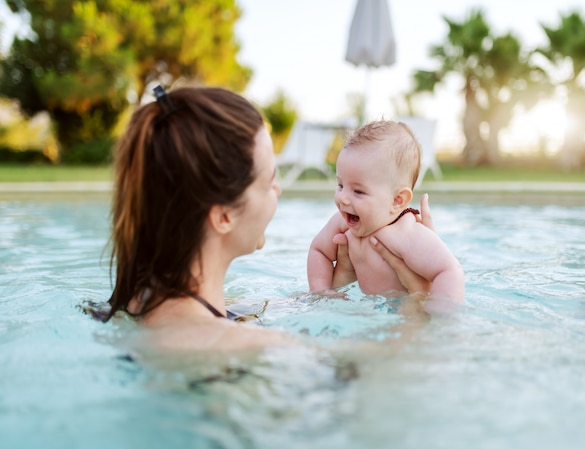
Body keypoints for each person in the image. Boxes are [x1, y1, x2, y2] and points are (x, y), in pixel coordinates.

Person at [103, 85, 436, 352]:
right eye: (269, 181)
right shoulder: (240, 346)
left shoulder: (144, 302)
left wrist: (336, 286)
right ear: (222, 217)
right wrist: (419, 306)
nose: (278, 189)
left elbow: (279, 311)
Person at [307, 120, 465, 302]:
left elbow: (449, 270)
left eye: (358, 191)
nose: (343, 198)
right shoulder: (342, 224)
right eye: (341, 185)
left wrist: (441, 313)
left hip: (403, 313)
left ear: (397, 200)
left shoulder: (406, 233)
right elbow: (318, 250)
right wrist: (321, 291)